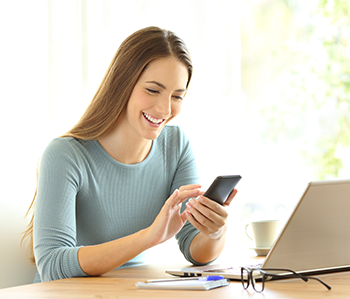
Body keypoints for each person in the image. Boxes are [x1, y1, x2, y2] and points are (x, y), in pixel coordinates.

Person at [22, 26, 238, 283]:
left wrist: (214, 232)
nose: (165, 108)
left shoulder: (176, 146)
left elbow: (196, 249)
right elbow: (53, 265)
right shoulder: (66, 155)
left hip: (132, 290)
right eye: (152, 90)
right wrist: (149, 237)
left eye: (177, 96)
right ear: (122, 83)